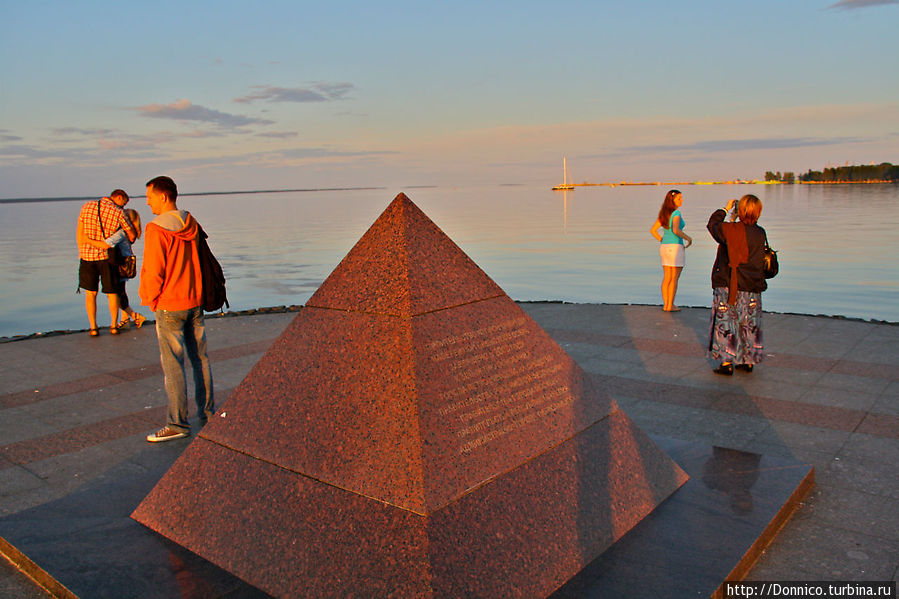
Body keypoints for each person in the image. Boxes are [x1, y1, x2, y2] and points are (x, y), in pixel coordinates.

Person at [140, 175, 214, 442]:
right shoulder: (190, 222)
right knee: (200, 360)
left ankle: (178, 424)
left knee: (173, 365)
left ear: (163, 196)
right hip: (195, 301)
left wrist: (150, 298)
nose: (147, 203)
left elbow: (154, 270)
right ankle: (208, 414)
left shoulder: (156, 228)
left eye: (149, 197)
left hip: (170, 304)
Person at [706, 194, 770, 376]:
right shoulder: (760, 233)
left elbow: (713, 225)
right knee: (748, 323)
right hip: (752, 284)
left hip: (729, 284)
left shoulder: (730, 230)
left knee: (727, 323)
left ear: (740, 210)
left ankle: (727, 363)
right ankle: (747, 360)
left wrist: (725, 210)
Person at [76, 190, 136, 336]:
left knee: (90, 294)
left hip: (87, 257)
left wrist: (82, 249)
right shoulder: (118, 213)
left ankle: (93, 327)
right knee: (112, 293)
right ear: (119, 197)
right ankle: (114, 326)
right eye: (124, 202)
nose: (124, 206)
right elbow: (132, 235)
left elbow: (79, 232)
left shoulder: (86, 206)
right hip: (106, 258)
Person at [104, 209, 148, 330]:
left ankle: (135, 316)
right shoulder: (131, 233)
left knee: (115, 294)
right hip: (126, 263)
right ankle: (125, 318)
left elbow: (107, 243)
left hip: (120, 263)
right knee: (120, 291)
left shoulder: (122, 232)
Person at [650, 189, 693, 311]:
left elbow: (653, 230)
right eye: (679, 198)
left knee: (667, 276)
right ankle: (670, 305)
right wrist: (688, 238)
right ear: (672, 200)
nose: (681, 200)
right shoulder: (676, 213)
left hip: (664, 247)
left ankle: (666, 304)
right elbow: (676, 230)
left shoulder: (663, 214)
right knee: (674, 277)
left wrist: (662, 239)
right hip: (675, 247)